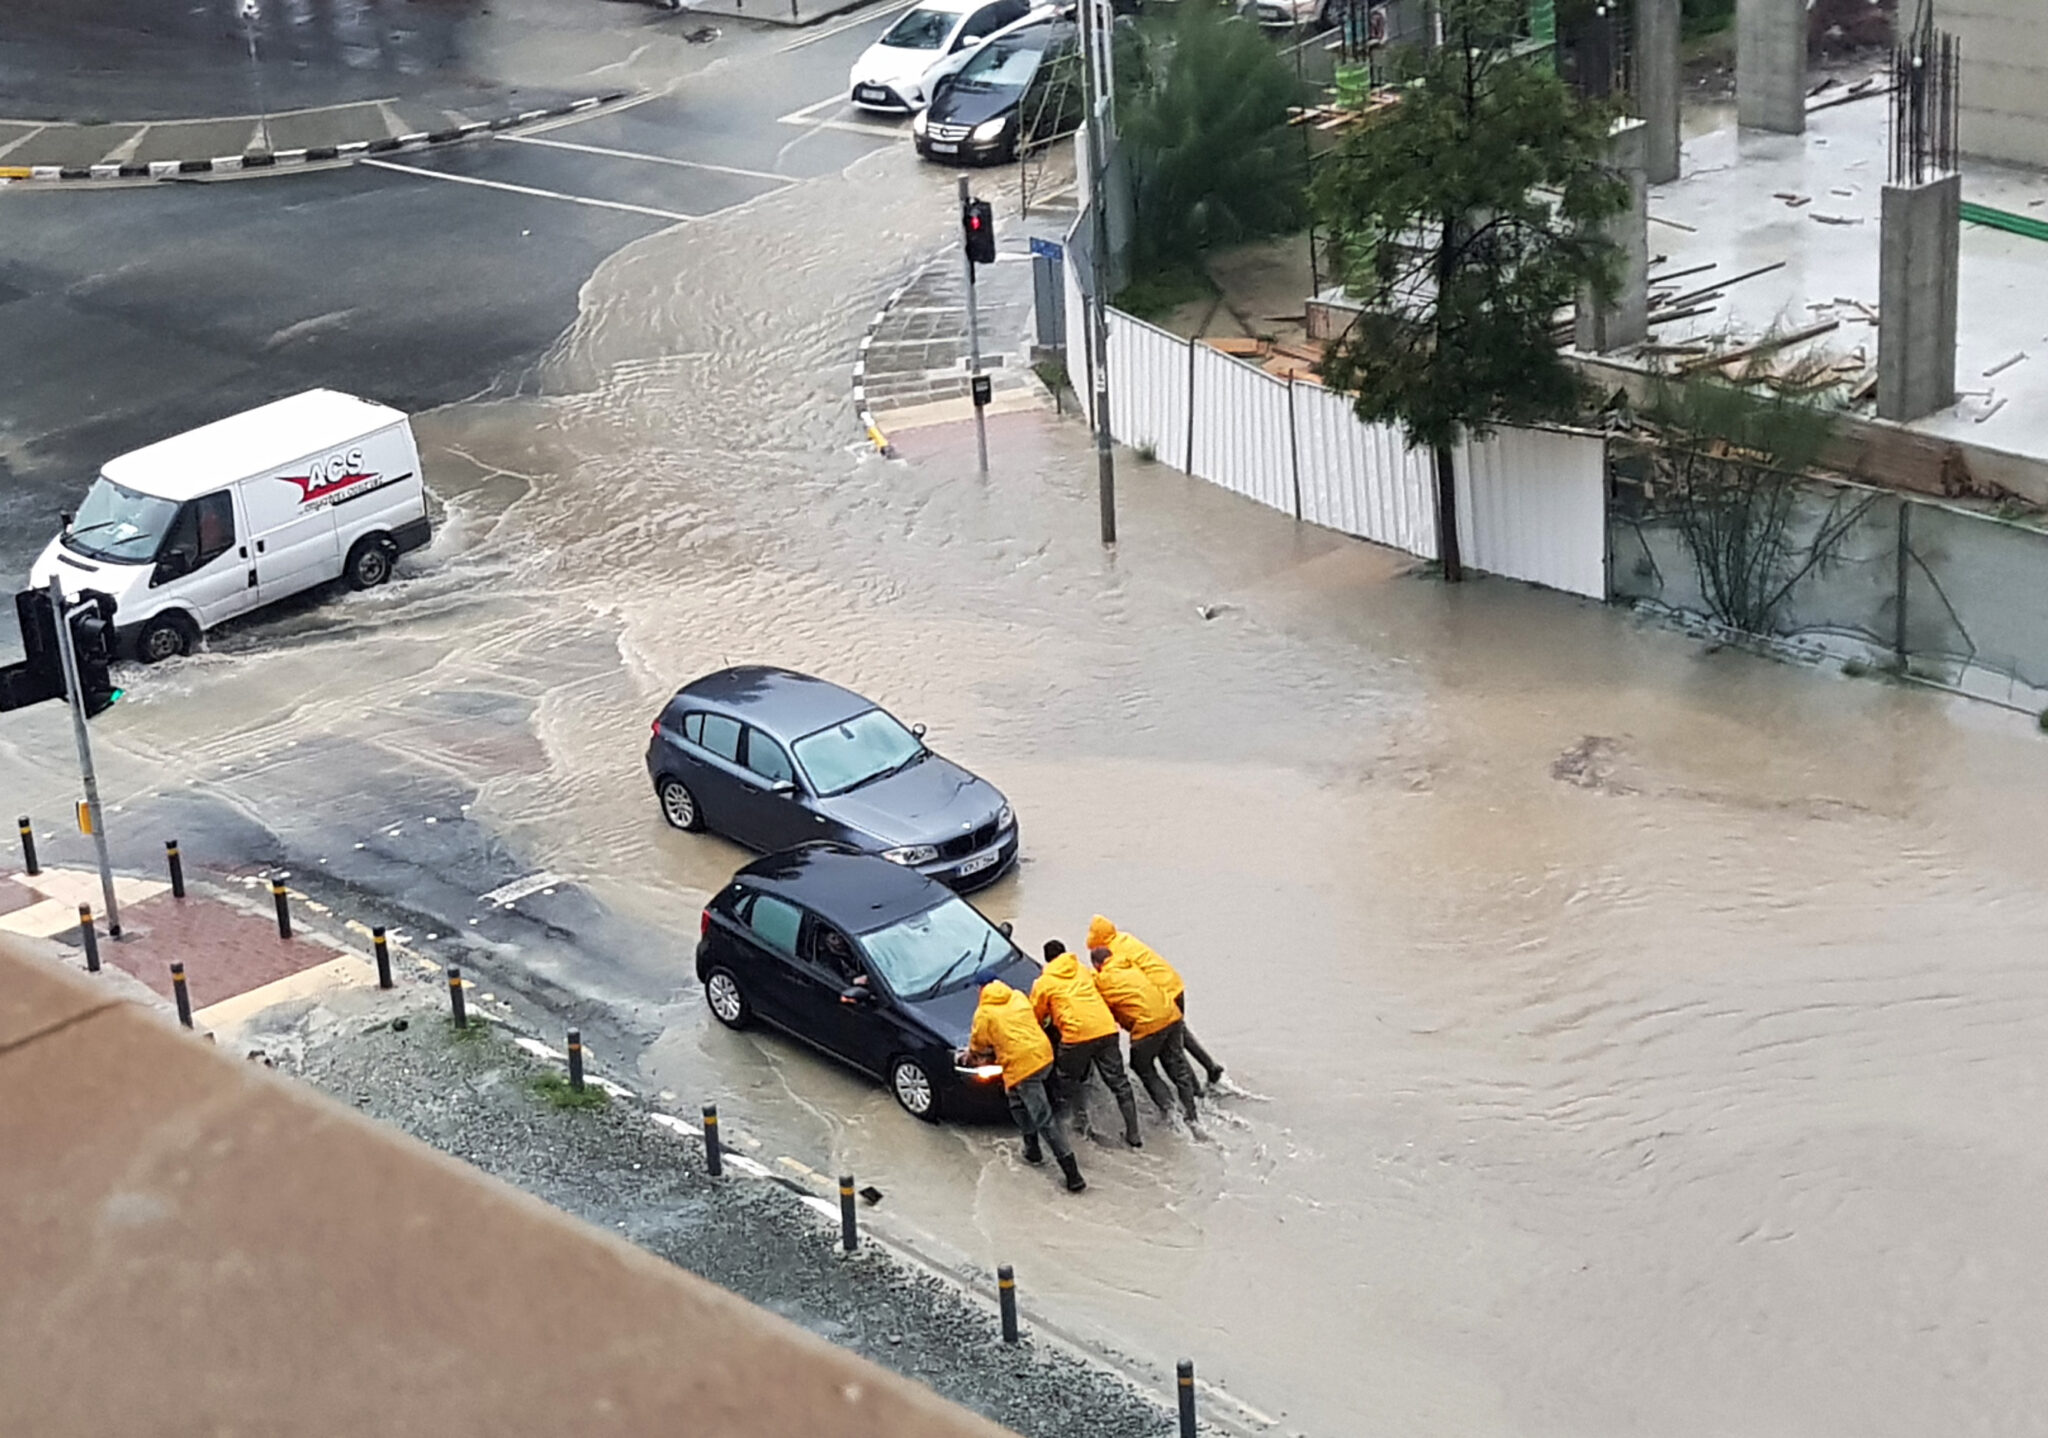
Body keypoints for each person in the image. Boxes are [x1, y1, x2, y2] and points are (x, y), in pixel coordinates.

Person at [962, 979, 1087, 1192]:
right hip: (1044, 1055)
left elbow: (979, 1042)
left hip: (1023, 1067)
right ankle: (1032, 1150)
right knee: (1016, 1100)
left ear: (981, 990)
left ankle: (1073, 1175)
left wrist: (971, 1055)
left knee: (1044, 1119)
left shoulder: (984, 1013)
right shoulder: (1018, 995)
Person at [1087, 915, 1225, 1088]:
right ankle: (1210, 1067)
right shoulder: (1125, 938)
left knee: (1172, 1050)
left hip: (1162, 993)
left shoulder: (1113, 954)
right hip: (1174, 984)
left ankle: (1195, 1090)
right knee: (1178, 1032)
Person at [1031, 939, 1142, 1147]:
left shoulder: (1044, 982)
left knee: (1068, 1078)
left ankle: (1080, 1122)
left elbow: (1036, 1013)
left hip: (1076, 1036)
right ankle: (1133, 1134)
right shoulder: (1082, 969)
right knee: (1119, 1082)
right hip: (1106, 1029)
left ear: (1047, 960)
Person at [1087, 946, 1200, 1129]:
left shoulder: (1102, 980)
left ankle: (1170, 1112)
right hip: (1172, 1014)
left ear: (1097, 965)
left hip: (1148, 1026)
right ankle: (1192, 1113)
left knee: (1142, 1066)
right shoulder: (1131, 965)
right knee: (1177, 1064)